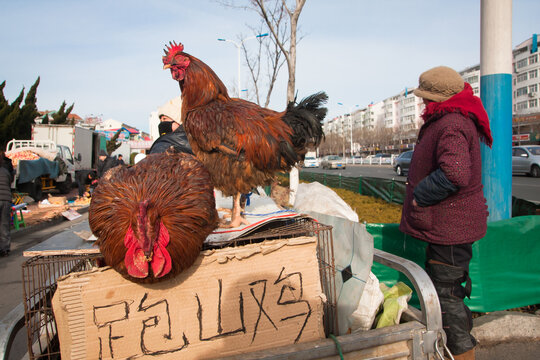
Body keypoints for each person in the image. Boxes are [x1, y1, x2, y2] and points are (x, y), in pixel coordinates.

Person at [400, 66, 492, 360]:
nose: (423, 104)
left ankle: (463, 355)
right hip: (450, 227)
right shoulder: (455, 118)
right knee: (449, 295)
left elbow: (455, 173)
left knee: (447, 299)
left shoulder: (450, 123)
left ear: (438, 99)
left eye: (426, 99)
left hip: (450, 230)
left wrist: (420, 196)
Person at [0, 151, 14, 257]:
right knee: (4, 224)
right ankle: (5, 249)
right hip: (6, 200)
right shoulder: (5, 171)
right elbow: (9, 183)